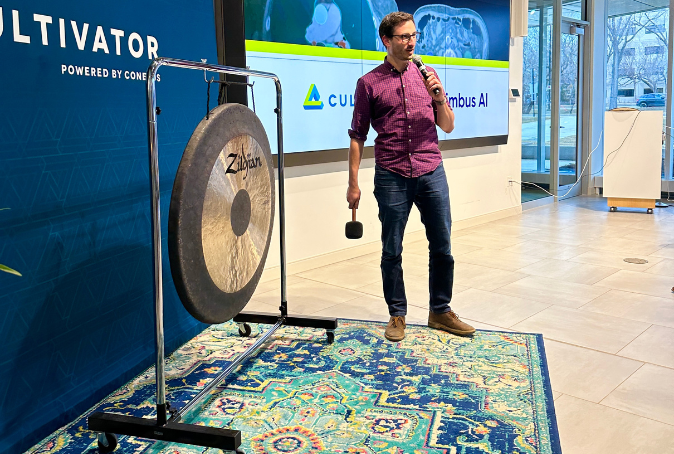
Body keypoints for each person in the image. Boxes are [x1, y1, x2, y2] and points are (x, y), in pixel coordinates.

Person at [346, 11, 475, 342]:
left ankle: (441, 311)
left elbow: (447, 125)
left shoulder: (427, 75)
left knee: (443, 246)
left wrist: (440, 99)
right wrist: (353, 183)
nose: (411, 43)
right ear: (386, 41)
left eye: (414, 36)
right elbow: (357, 136)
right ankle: (397, 314)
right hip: (391, 174)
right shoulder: (369, 84)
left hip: (432, 169)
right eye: (403, 37)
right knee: (392, 249)